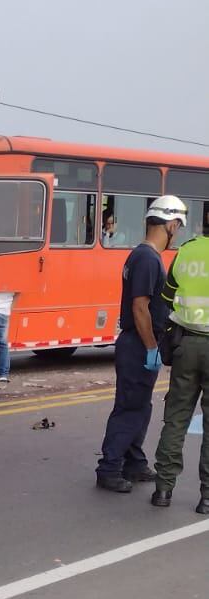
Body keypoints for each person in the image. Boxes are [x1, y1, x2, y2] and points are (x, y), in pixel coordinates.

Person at [95, 196, 187, 493]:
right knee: (130, 408)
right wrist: (150, 347)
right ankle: (109, 468)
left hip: (138, 342)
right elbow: (140, 308)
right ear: (171, 225)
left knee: (140, 406)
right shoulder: (148, 259)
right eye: (178, 227)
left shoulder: (141, 255)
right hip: (138, 343)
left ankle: (133, 462)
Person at [151, 223, 209, 515]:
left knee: (176, 419)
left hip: (186, 345)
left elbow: (166, 298)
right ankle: (207, 498)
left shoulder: (186, 252)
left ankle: (163, 488)